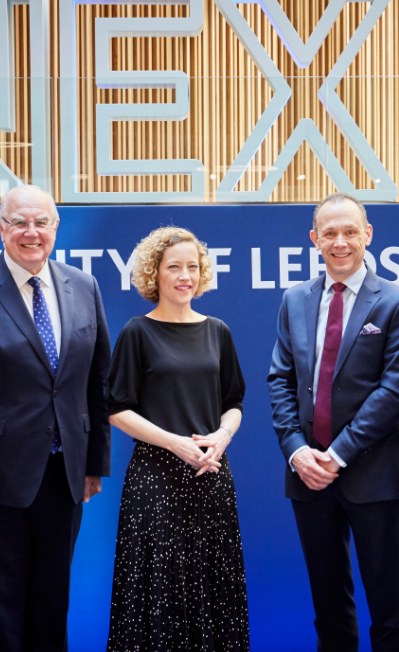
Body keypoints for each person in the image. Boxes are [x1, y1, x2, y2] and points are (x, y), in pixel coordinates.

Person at [0, 185, 112, 651]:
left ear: (56, 226)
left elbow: (97, 382)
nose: (31, 233)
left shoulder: (83, 286)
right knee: (1, 607)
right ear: (1, 228)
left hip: (63, 476)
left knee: (52, 604)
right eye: (19, 223)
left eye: (41, 222)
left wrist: (93, 463)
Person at [268, 192, 399, 652]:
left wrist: (336, 456)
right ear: (315, 239)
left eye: (350, 231)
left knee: (387, 609)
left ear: (367, 235)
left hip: (373, 472)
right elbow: (280, 379)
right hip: (308, 476)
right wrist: (297, 451)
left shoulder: (398, 301)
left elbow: (395, 392)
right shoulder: (294, 299)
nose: (340, 242)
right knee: (329, 609)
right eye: (330, 233)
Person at [105, 226, 250, 652]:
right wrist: (175, 443)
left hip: (211, 478)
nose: (185, 275)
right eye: (174, 267)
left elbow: (234, 402)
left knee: (214, 591)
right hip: (155, 483)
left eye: (193, 266)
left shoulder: (217, 330)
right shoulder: (137, 331)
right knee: (155, 597)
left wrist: (221, 436)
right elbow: (116, 409)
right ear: (155, 274)